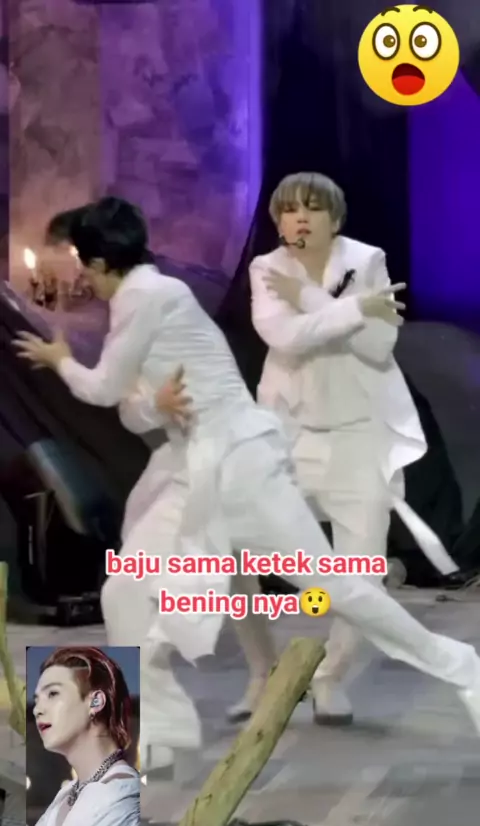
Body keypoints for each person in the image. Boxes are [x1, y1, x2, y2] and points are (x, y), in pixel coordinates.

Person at [14, 197, 480, 773]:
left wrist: (61, 359)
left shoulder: (151, 296)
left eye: (81, 263)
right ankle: (155, 729)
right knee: (125, 591)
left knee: (335, 588)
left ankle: (459, 664)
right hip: (193, 470)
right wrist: (155, 405)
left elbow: (105, 389)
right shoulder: (140, 303)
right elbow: (133, 411)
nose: (80, 276)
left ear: (99, 262)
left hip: (242, 465)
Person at [248, 171, 460, 724]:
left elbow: (379, 345)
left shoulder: (367, 261)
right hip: (290, 434)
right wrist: (350, 311)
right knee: (267, 550)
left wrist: (310, 300)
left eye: (312, 208)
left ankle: (330, 676)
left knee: (363, 574)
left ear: (335, 219)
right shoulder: (267, 268)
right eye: (289, 209)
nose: (300, 218)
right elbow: (284, 336)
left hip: (357, 436)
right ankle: (269, 669)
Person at [28, 646, 140, 826]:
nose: (37, 710)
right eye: (37, 700)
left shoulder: (121, 795)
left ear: (95, 701)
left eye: (52, 694)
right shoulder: (66, 795)